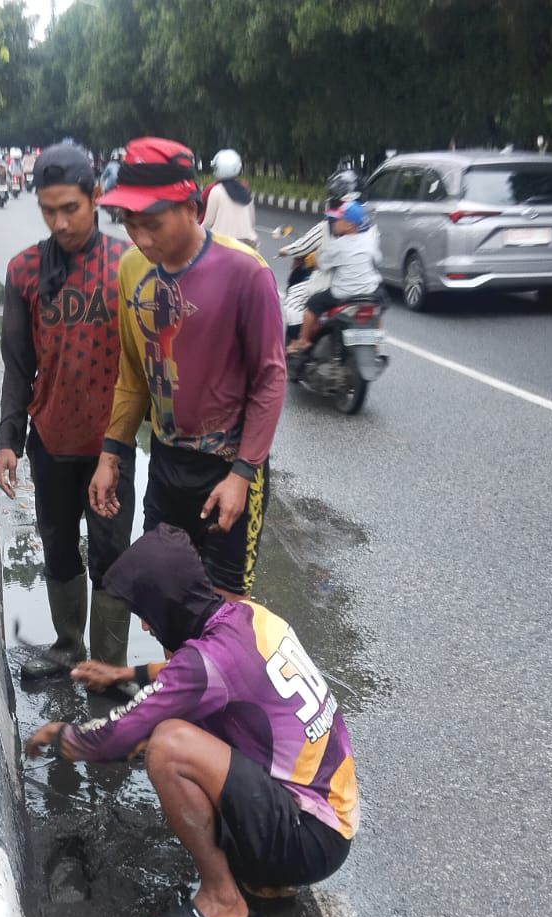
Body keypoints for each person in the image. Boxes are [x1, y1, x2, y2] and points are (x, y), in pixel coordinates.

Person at [24, 525, 359, 917]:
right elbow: (192, 673)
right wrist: (124, 674)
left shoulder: (205, 663)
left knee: (167, 745)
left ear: (168, 603)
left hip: (308, 838)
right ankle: (266, 875)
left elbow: (115, 737)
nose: (146, 624)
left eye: (147, 611)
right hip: (327, 819)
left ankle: (224, 903)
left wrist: (61, 737)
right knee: (182, 723)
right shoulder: (248, 616)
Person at [88, 136, 286, 600]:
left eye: (153, 224)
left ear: (193, 209)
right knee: (163, 601)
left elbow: (270, 380)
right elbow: (133, 373)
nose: (141, 238)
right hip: (166, 463)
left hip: (228, 466)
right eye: (129, 223)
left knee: (222, 611)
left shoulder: (246, 272)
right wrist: (110, 454)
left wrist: (241, 476)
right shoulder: (132, 269)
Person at [0, 144, 133, 680]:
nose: (60, 223)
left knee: (111, 555)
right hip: (50, 441)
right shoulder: (25, 270)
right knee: (57, 545)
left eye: (71, 208)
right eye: (49, 210)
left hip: (110, 446)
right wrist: (8, 439)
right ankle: (70, 646)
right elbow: (17, 364)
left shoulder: (128, 266)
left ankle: (109, 666)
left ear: (96, 197)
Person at [288, 200, 380, 353]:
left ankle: (303, 341)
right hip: (370, 292)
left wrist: (313, 261)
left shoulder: (339, 244)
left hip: (344, 294)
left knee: (313, 304)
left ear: (349, 225)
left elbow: (321, 264)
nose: (335, 222)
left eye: (339, 219)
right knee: (378, 309)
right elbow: (376, 260)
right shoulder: (369, 241)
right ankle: (376, 345)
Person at [202, 149, 257, 248]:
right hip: (249, 244)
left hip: (223, 244)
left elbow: (208, 222)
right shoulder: (246, 191)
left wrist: (197, 230)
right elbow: (252, 221)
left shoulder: (216, 191)